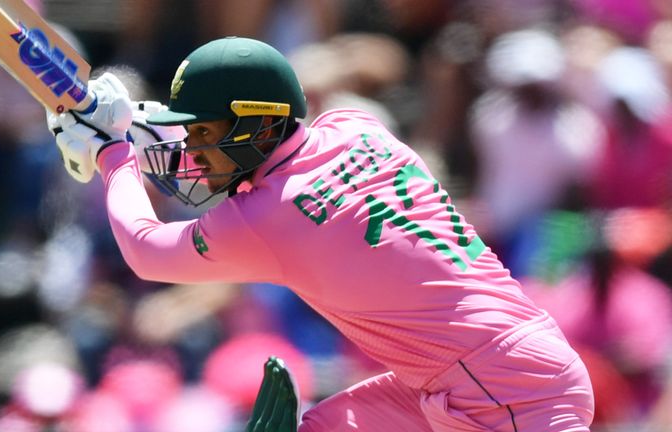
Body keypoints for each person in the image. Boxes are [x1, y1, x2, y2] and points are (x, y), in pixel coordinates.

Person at [46, 36, 594, 431]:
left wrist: (113, 155)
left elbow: (146, 250)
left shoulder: (268, 219)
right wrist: (142, 125)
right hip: (494, 369)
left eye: (204, 134)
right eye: (189, 135)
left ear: (260, 122)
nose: (191, 154)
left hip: (508, 394)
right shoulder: (355, 126)